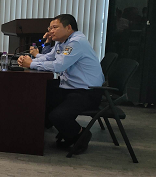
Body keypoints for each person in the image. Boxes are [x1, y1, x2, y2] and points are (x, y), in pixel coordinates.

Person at [17, 14, 104, 154]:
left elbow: (59, 66)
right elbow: (49, 57)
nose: (50, 31)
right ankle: (35, 134)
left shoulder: (76, 42)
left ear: (68, 28)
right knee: (39, 95)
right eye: (50, 28)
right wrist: (30, 60)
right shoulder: (61, 41)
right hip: (70, 86)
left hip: (87, 91)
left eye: (54, 27)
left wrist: (31, 64)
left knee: (58, 115)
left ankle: (82, 134)